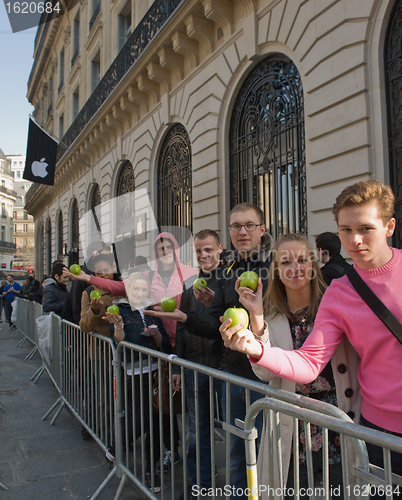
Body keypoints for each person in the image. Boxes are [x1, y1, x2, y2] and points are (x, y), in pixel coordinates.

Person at [220, 180, 402, 493]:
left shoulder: (327, 294)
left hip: (348, 420)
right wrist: (255, 346)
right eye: (345, 230)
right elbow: (309, 362)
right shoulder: (340, 293)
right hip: (377, 433)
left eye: (365, 228)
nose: (355, 240)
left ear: (389, 227)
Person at [145, 203, 273, 499]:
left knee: (262, 451)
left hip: (264, 374)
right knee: (235, 450)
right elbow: (219, 325)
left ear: (261, 229)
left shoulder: (273, 266)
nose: (242, 231)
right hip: (232, 372)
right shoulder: (227, 272)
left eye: (249, 225)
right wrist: (188, 318)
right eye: (236, 226)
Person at [232, 233, 358, 498]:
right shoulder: (270, 314)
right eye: (286, 262)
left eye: (302, 260)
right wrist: (256, 317)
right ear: (276, 270)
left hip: (338, 419)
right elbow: (265, 373)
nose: (295, 268)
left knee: (341, 489)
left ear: (313, 265)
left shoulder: (336, 304)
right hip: (292, 424)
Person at [64, 231, 198, 470]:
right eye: (160, 249)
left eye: (168, 247)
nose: (164, 252)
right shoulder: (149, 276)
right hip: (159, 352)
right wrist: (88, 278)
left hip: (183, 346)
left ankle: (192, 459)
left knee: (189, 411)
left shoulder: (190, 275)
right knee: (162, 407)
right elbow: (118, 286)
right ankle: (168, 452)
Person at [104, 272, 171, 494]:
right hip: (134, 373)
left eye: (144, 290)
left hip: (155, 373)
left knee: (154, 424)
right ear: (128, 290)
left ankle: (151, 472)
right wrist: (119, 327)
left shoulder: (152, 310)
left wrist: (155, 335)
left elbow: (163, 342)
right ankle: (118, 444)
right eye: (136, 289)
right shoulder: (119, 310)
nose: (140, 294)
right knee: (141, 420)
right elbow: (119, 342)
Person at [173, 230, 224, 500]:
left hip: (223, 366)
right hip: (194, 367)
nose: (204, 255)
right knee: (198, 428)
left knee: (233, 430)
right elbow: (183, 325)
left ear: (220, 249)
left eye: (208, 250)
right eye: (199, 251)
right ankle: (201, 483)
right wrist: (177, 365)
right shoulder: (189, 283)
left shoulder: (228, 280)